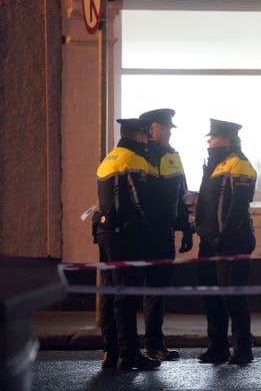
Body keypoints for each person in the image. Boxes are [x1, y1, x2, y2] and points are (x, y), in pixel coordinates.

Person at [91, 118, 161, 370]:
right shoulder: (134, 160)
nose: (147, 140)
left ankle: (110, 352)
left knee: (110, 293)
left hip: (105, 231)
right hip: (126, 235)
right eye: (145, 135)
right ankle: (129, 353)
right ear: (139, 135)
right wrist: (151, 227)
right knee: (126, 294)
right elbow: (140, 201)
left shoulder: (109, 158)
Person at [195, 119, 257, 365]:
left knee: (233, 297)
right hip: (210, 241)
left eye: (213, 137)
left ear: (227, 140)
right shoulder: (216, 165)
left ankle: (243, 348)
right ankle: (217, 346)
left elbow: (239, 208)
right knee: (212, 296)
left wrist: (224, 237)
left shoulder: (240, 165)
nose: (209, 141)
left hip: (231, 242)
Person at [138, 108, 194, 361]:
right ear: (151, 128)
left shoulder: (173, 156)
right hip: (139, 233)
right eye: (165, 127)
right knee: (132, 292)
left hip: (163, 234)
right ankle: (125, 347)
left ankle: (153, 345)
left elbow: (181, 196)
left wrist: (187, 230)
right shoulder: (138, 154)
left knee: (157, 291)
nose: (170, 131)